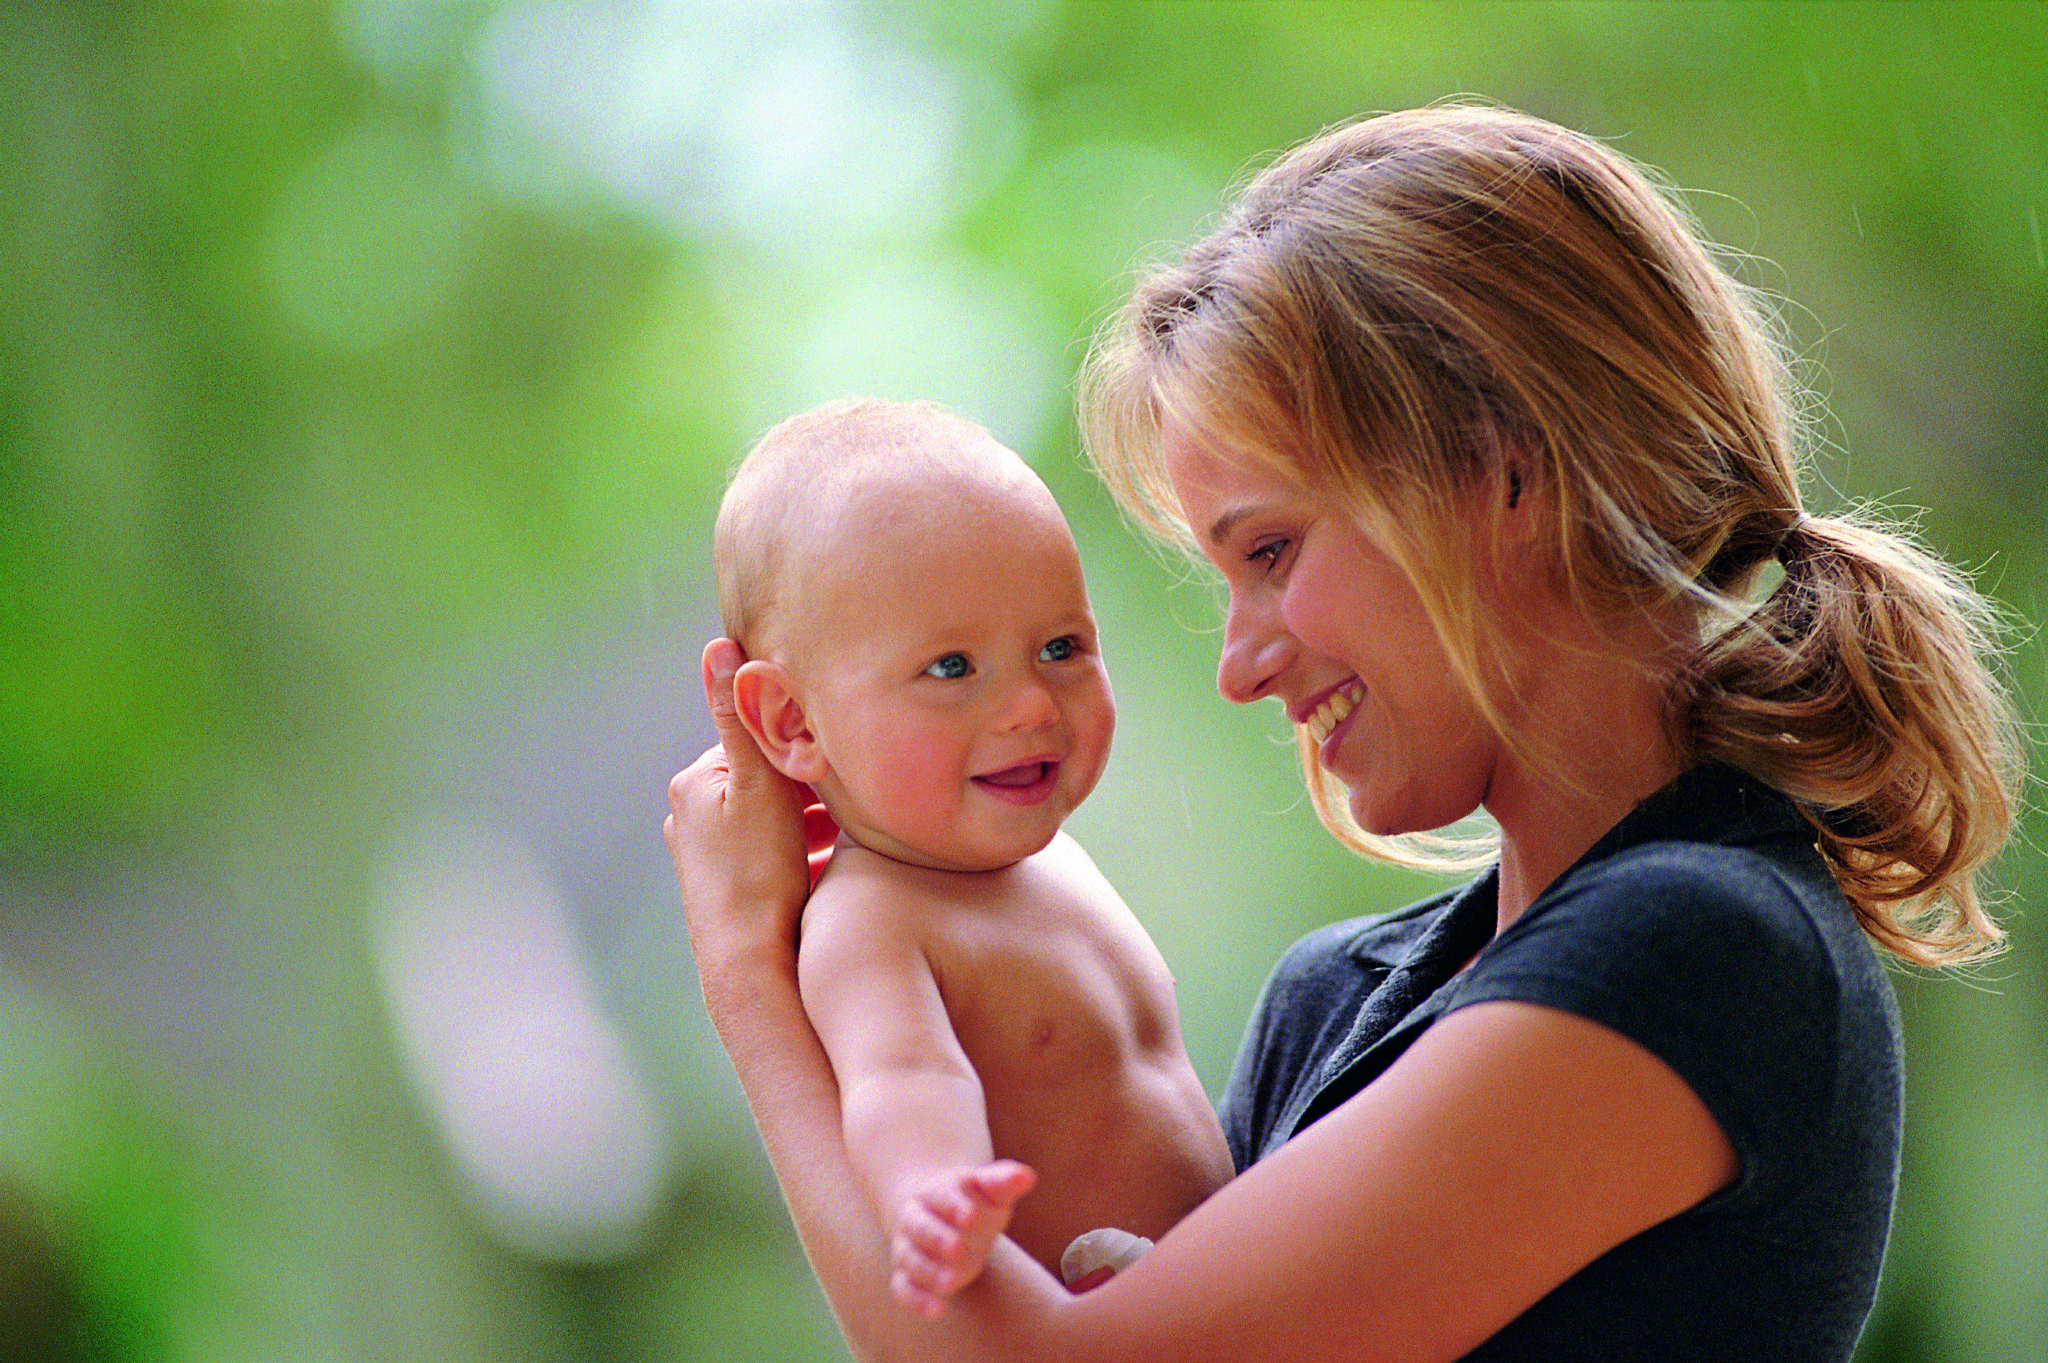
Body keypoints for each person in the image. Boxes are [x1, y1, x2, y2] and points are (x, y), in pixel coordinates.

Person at [667, 105, 2022, 1362]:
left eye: (1271, 549)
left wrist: (751, 976)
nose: (1242, 664)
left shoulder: (1698, 947)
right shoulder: (1344, 993)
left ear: (1503, 470)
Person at [708, 397, 1233, 1316]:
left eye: (1062, 647)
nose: (1032, 704)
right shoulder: (872, 919)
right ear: (792, 723)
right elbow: (899, 1077)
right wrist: (931, 1195)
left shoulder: (1051, 863)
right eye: (952, 668)